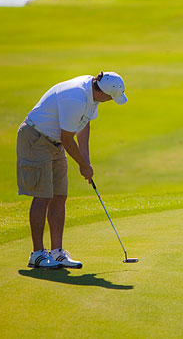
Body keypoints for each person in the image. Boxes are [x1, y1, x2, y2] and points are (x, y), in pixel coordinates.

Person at [16, 72, 127, 268]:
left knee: (59, 195)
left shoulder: (93, 94)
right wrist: (82, 165)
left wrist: (86, 161)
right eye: (110, 98)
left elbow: (83, 126)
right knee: (43, 196)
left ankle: (57, 252)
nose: (110, 101)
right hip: (36, 137)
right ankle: (38, 254)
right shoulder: (75, 96)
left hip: (55, 143)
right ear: (102, 94)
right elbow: (68, 138)